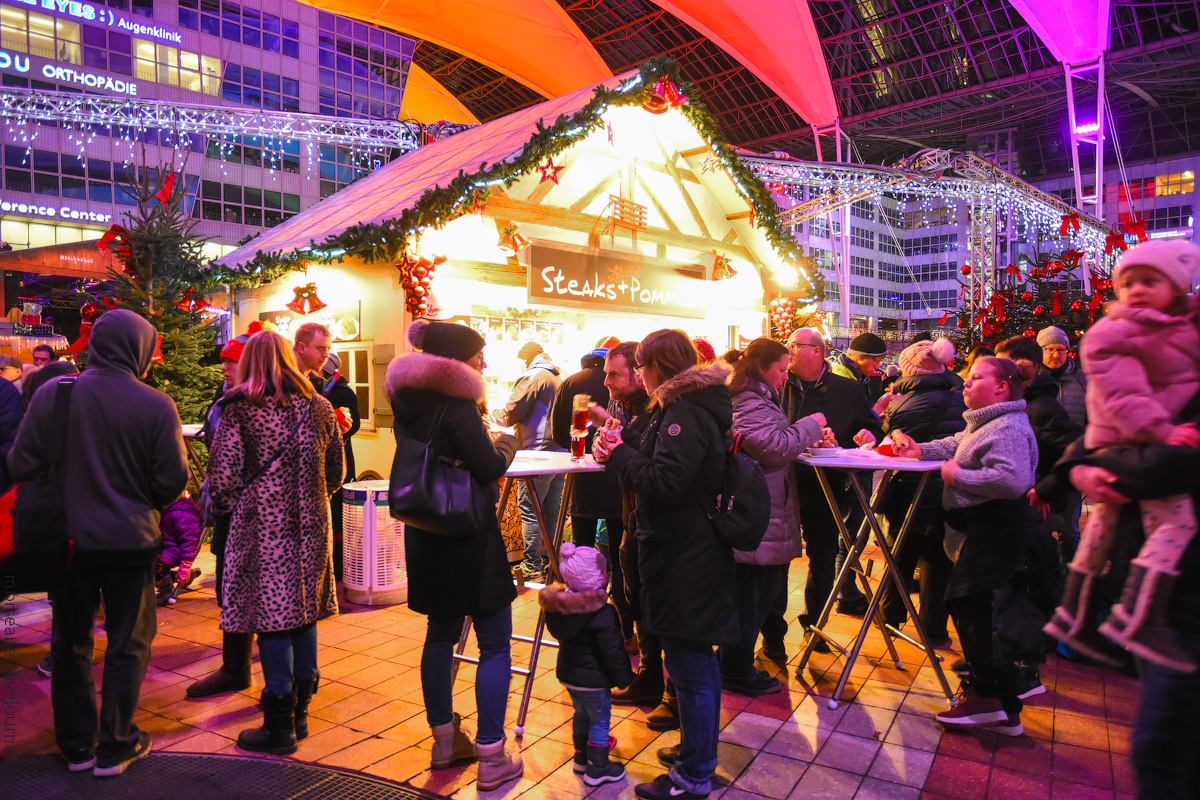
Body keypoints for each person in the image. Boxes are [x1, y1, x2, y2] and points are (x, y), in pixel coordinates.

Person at [9, 309, 189, 776]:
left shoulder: (54, 394)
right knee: (129, 641)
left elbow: (21, 462)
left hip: (67, 543)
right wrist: (134, 495)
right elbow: (171, 482)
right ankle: (117, 743)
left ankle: (76, 746)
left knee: (70, 642)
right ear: (140, 350)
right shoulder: (155, 404)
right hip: (131, 543)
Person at [1043, 240, 1200, 672]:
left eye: (1152, 281)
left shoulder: (1173, 326)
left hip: (1128, 447)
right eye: (1130, 283)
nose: (1138, 291)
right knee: (1168, 522)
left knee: (1102, 532)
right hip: (1131, 443)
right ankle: (1134, 614)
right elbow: (1125, 396)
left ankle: (1077, 614)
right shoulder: (1120, 331)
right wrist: (1080, 465)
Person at [594, 329, 735, 800]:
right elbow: (663, 455)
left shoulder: (685, 410)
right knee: (693, 662)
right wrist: (625, 437)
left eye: (639, 365)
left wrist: (619, 454)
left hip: (684, 550)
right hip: (684, 546)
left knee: (691, 665)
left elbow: (668, 481)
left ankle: (694, 775)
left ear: (657, 366)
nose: (636, 374)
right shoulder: (681, 406)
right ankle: (697, 753)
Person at [387, 319, 524, 790]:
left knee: (440, 633)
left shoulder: (405, 399)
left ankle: (444, 742)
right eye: (477, 354)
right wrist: (507, 442)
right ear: (456, 360)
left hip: (426, 530)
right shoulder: (457, 401)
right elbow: (487, 466)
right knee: (495, 640)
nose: (483, 362)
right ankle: (491, 757)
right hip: (468, 532)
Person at [207, 332, 343, 756]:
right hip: (312, 529)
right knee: (303, 616)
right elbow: (336, 473)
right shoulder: (320, 408)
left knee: (270, 620)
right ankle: (301, 714)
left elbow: (224, 479)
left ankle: (279, 725)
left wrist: (234, 507)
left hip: (261, 531)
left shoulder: (239, 410)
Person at [891, 356, 1037, 733]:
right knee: (976, 611)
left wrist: (959, 476)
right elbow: (955, 442)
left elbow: (1012, 480)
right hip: (982, 531)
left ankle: (988, 698)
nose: (966, 384)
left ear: (1001, 387)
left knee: (974, 612)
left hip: (992, 531)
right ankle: (1002, 708)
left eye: (976, 378)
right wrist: (919, 450)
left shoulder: (1005, 427)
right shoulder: (988, 422)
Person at [1053, 437, 1200, 799]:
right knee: (1157, 752)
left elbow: (1161, 469)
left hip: (1185, 611)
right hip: (1163, 602)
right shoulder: (1165, 394)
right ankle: (1079, 616)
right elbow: (1090, 439)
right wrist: (1079, 467)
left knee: (1165, 755)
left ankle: (1078, 617)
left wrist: (1091, 468)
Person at [721, 337, 824, 696]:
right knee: (752, 595)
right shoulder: (750, 398)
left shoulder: (752, 395)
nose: (784, 376)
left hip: (762, 507)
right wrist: (810, 426)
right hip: (757, 510)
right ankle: (734, 667)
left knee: (755, 593)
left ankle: (734, 662)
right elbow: (771, 447)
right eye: (781, 369)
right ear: (762, 367)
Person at [774, 328, 880, 656]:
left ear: (817, 352)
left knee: (821, 557)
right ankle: (773, 634)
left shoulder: (846, 389)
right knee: (776, 558)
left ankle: (814, 626)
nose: (788, 350)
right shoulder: (775, 387)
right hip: (781, 485)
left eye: (795, 345)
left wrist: (866, 434)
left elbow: (872, 426)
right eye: (787, 345)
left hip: (826, 487)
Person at [876, 337, 966, 647]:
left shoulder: (898, 404)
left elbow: (888, 442)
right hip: (949, 487)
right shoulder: (962, 398)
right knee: (938, 558)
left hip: (910, 490)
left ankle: (889, 617)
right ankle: (934, 629)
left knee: (899, 551)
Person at [187, 328, 256, 699]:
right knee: (231, 589)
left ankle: (238, 669)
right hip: (234, 514)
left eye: (232, 361)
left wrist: (226, 505)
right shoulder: (227, 399)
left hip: (243, 515)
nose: (225, 367)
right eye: (224, 360)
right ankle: (238, 664)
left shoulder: (247, 405)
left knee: (240, 589)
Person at [539, 543, 633, 786]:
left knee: (581, 714)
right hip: (593, 681)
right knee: (600, 720)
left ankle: (581, 758)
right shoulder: (602, 613)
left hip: (569, 677)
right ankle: (598, 768)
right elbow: (612, 650)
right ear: (600, 578)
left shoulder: (562, 609)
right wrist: (624, 678)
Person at [492, 341, 565, 582]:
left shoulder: (533, 376)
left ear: (528, 358)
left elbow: (512, 411)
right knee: (551, 512)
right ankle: (549, 562)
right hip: (559, 453)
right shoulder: (558, 376)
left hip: (537, 453)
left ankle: (532, 566)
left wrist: (495, 415)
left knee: (530, 509)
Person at [550, 346, 621, 551]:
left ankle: (583, 582)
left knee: (583, 547)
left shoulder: (570, 382)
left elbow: (558, 434)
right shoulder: (621, 387)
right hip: (616, 474)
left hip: (582, 474)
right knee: (619, 546)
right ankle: (617, 582)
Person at [322, 351, 361, 581]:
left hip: (340, 458)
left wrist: (337, 432)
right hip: (325, 458)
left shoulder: (342, 391)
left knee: (338, 513)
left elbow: (353, 423)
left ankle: (339, 562)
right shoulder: (318, 390)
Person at [155, 492, 203, 605]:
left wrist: (185, 566)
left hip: (176, 550)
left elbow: (190, 540)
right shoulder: (166, 507)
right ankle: (173, 577)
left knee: (155, 564)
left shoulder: (183, 513)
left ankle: (166, 591)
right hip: (165, 547)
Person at [1038, 326, 1087, 427]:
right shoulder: (1029, 379)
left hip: (1074, 442)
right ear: (1040, 351)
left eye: (1061, 350)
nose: (1056, 355)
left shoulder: (1083, 380)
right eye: (1050, 349)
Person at [830, 331, 888, 403]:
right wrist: (880, 406)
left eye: (880, 362)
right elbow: (852, 413)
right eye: (876, 360)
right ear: (860, 357)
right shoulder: (841, 383)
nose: (878, 366)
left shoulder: (861, 379)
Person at [293, 322, 332, 390]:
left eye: (328, 349)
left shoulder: (315, 380)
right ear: (301, 348)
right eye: (320, 348)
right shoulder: (282, 381)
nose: (327, 355)